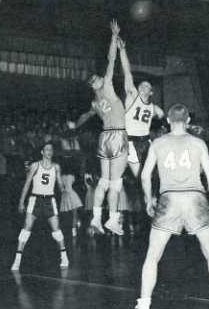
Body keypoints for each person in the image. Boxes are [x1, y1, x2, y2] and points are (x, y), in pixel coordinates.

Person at [128, 103, 209, 309]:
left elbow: (145, 176)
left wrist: (149, 199)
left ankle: (144, 308)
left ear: (167, 121)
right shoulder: (198, 143)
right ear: (188, 121)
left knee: (153, 256)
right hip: (195, 198)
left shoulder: (158, 143)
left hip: (170, 198)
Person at [76, 20, 128, 236]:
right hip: (117, 135)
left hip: (103, 138)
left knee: (104, 181)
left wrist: (74, 125)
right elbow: (111, 60)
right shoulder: (107, 85)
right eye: (96, 78)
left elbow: (84, 117)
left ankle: (97, 219)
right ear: (96, 83)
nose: (100, 77)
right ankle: (113, 220)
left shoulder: (94, 103)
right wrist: (114, 37)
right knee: (116, 183)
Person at [11, 143, 69, 271]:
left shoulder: (56, 167)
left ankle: (64, 257)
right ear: (42, 152)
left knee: (56, 230)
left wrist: (64, 189)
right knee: (26, 229)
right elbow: (27, 184)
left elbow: (59, 184)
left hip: (49, 199)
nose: (49, 151)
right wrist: (21, 201)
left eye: (51, 149)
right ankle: (17, 260)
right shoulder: (35, 166)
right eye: (47, 149)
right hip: (35, 199)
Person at [117, 37, 164, 179]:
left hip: (146, 142)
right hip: (130, 141)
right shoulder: (132, 98)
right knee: (140, 178)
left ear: (151, 92)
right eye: (141, 85)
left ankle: (153, 200)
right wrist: (122, 50)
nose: (143, 87)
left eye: (147, 86)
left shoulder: (154, 108)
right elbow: (127, 72)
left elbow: (165, 119)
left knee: (152, 177)